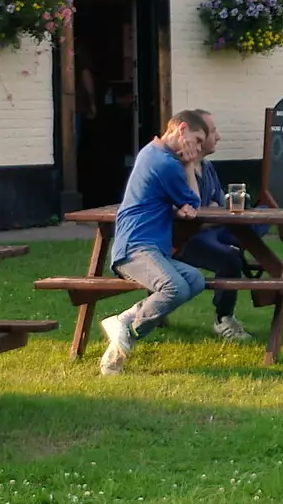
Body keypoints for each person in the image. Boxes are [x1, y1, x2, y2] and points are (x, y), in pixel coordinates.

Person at [98, 111, 209, 375]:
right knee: (174, 289)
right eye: (197, 139)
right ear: (181, 129)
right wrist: (190, 165)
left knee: (194, 279)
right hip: (134, 249)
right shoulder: (165, 163)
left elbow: (188, 207)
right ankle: (125, 335)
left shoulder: (152, 152)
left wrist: (184, 201)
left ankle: (124, 322)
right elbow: (194, 203)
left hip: (149, 248)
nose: (199, 147)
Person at [173, 109, 253, 342]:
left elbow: (219, 203)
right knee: (230, 256)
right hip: (184, 238)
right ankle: (223, 319)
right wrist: (210, 213)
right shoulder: (176, 167)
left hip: (212, 229)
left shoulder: (207, 167)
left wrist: (212, 213)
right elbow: (190, 210)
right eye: (212, 132)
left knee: (255, 225)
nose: (217, 136)